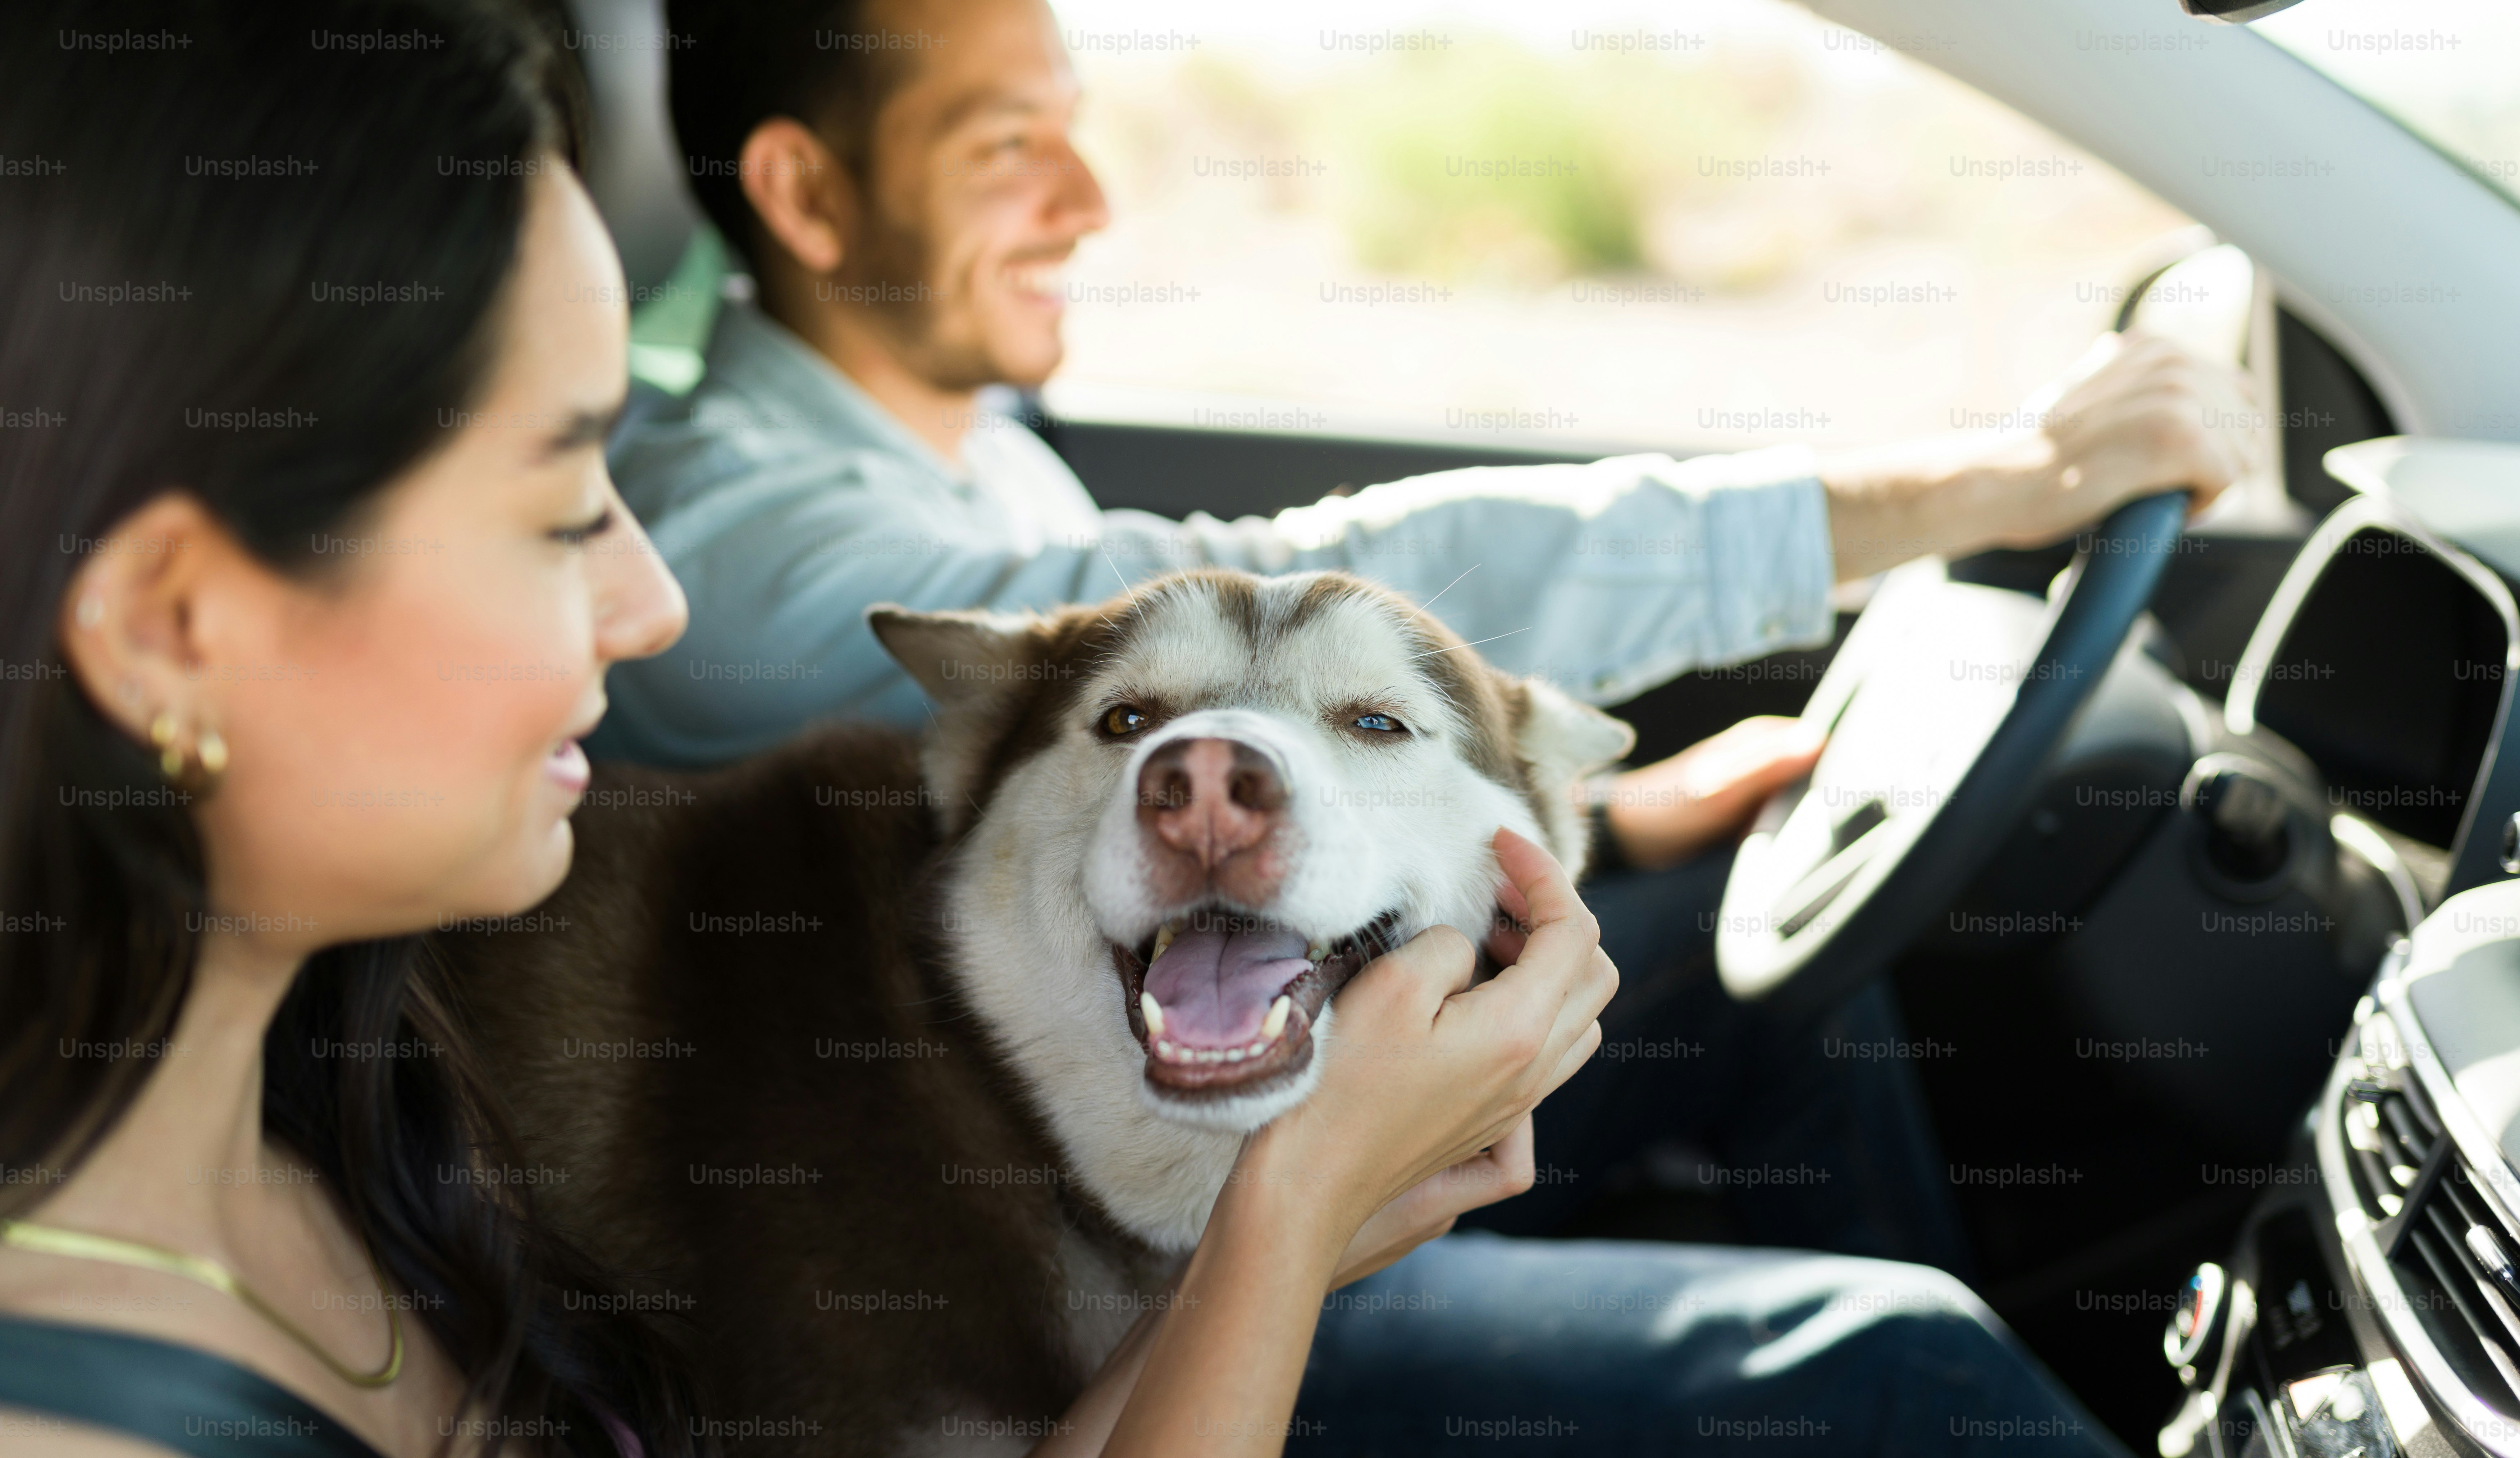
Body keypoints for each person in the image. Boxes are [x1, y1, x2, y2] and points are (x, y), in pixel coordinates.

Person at [0, 5, 2165, 1458]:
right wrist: (1285, 1216)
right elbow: (1293, 573)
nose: (646, 606)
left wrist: (1279, 1230)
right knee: (1878, 1373)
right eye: (570, 500)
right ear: (177, 622)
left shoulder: (362, 1151)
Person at [596, 0, 2258, 1276]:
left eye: (1076, 132)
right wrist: (2005, 481)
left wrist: (1614, 809)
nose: (1091, 200)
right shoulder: (738, 545)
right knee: (1880, 1373)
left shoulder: (962, 450)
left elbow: (1254, 789)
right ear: (807, 194)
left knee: (1780, 999)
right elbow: (1308, 598)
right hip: (1061, 1267)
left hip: (1202, 1118)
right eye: (1003, 145)